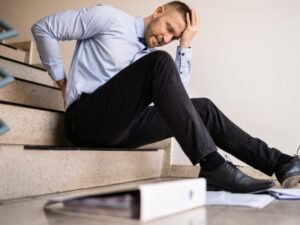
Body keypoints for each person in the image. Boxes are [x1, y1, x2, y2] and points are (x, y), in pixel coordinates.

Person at [31, 1, 300, 193]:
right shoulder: (109, 18)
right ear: (158, 11)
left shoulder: (149, 58)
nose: (166, 37)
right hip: (84, 120)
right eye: (169, 28)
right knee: (160, 62)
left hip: (121, 127)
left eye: (173, 37)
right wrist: (62, 81)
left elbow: (178, 104)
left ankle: (282, 163)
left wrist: (185, 45)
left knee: (202, 108)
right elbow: (44, 27)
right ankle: (212, 164)